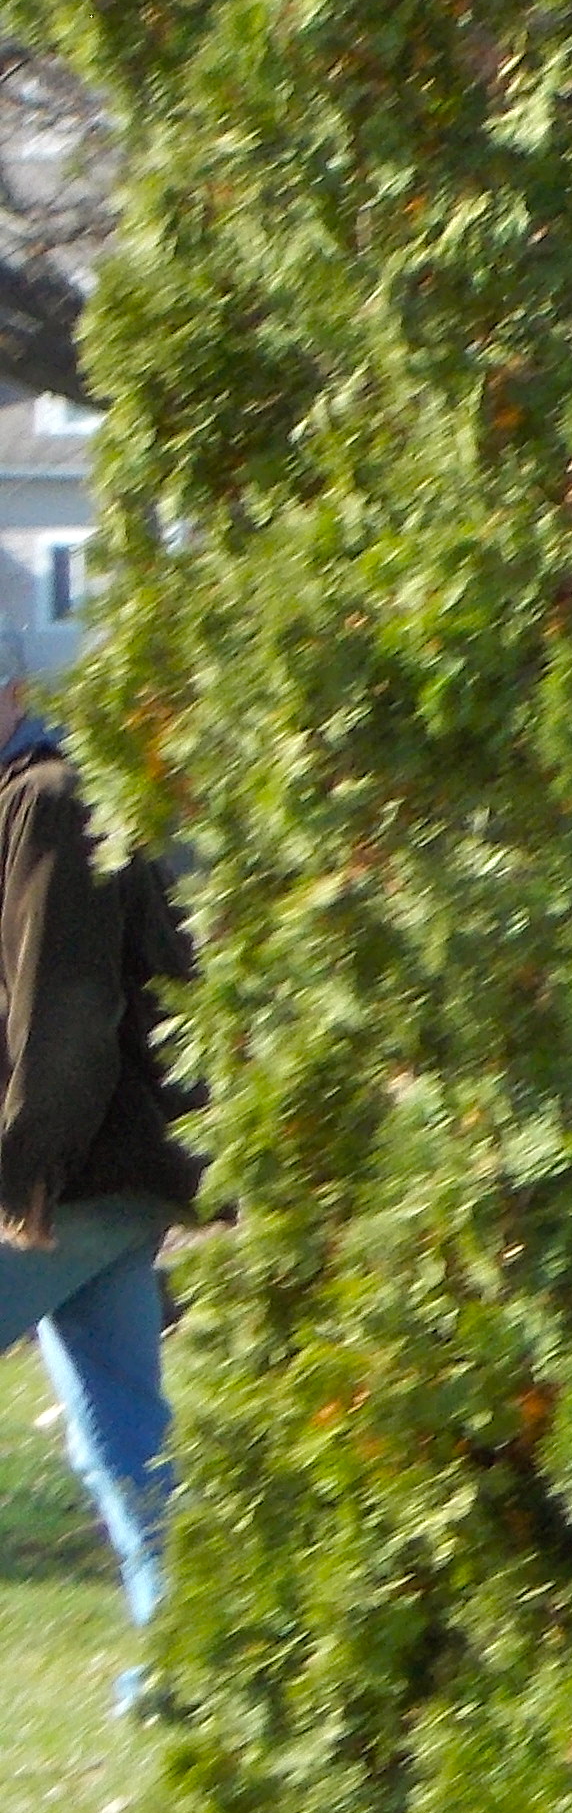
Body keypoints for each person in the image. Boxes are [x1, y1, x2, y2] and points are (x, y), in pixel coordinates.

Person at [0, 635, 202, 1698]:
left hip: (72, 1174)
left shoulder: (45, 798)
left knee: (122, 1432)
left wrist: (19, 1181)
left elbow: (63, 1014)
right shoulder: (54, 789)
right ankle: (189, 1660)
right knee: (123, 1433)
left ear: (14, 691)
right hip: (123, 1175)